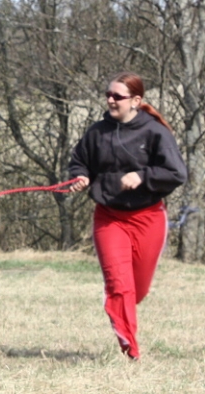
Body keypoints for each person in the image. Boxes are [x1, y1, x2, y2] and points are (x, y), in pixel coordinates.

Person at [68, 71, 187, 360]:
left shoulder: (155, 132)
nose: (110, 100)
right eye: (108, 94)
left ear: (135, 101)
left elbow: (177, 173)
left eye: (117, 96)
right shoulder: (97, 132)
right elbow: (79, 162)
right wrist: (80, 177)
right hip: (109, 217)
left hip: (148, 217)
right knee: (120, 287)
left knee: (138, 289)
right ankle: (131, 351)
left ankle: (118, 303)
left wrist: (143, 176)